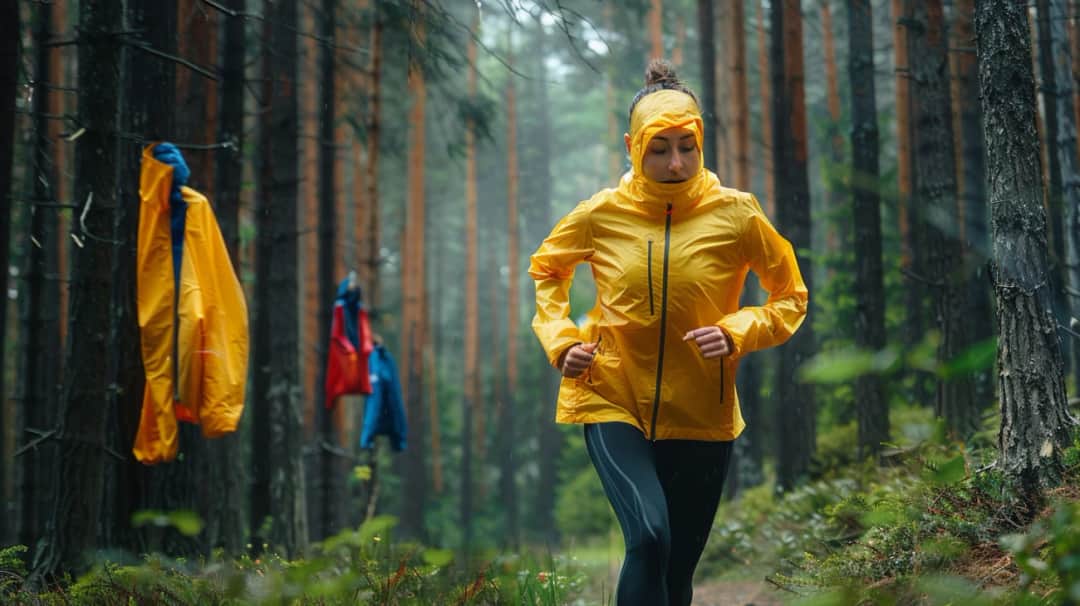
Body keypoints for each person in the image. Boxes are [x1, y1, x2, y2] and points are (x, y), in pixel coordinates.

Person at [529, 60, 808, 606]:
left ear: (701, 142)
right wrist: (561, 340)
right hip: (612, 397)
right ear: (633, 146)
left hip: (703, 413)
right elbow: (547, 270)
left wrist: (737, 330)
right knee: (650, 537)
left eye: (687, 146)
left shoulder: (737, 215)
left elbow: (790, 296)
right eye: (660, 149)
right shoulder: (600, 214)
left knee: (676, 570)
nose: (675, 163)